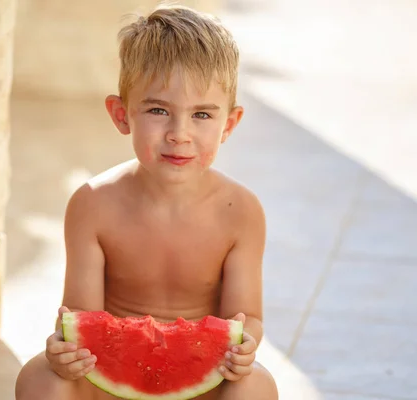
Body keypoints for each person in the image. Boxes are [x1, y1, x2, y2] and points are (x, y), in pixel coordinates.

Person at [15, 3, 278, 399]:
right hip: (109, 382)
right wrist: (65, 352)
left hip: (201, 383)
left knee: (256, 385)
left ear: (230, 124)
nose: (179, 133)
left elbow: (247, 318)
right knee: (39, 377)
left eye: (202, 115)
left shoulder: (240, 211)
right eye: (158, 110)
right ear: (122, 115)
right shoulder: (93, 204)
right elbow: (80, 320)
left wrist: (244, 348)